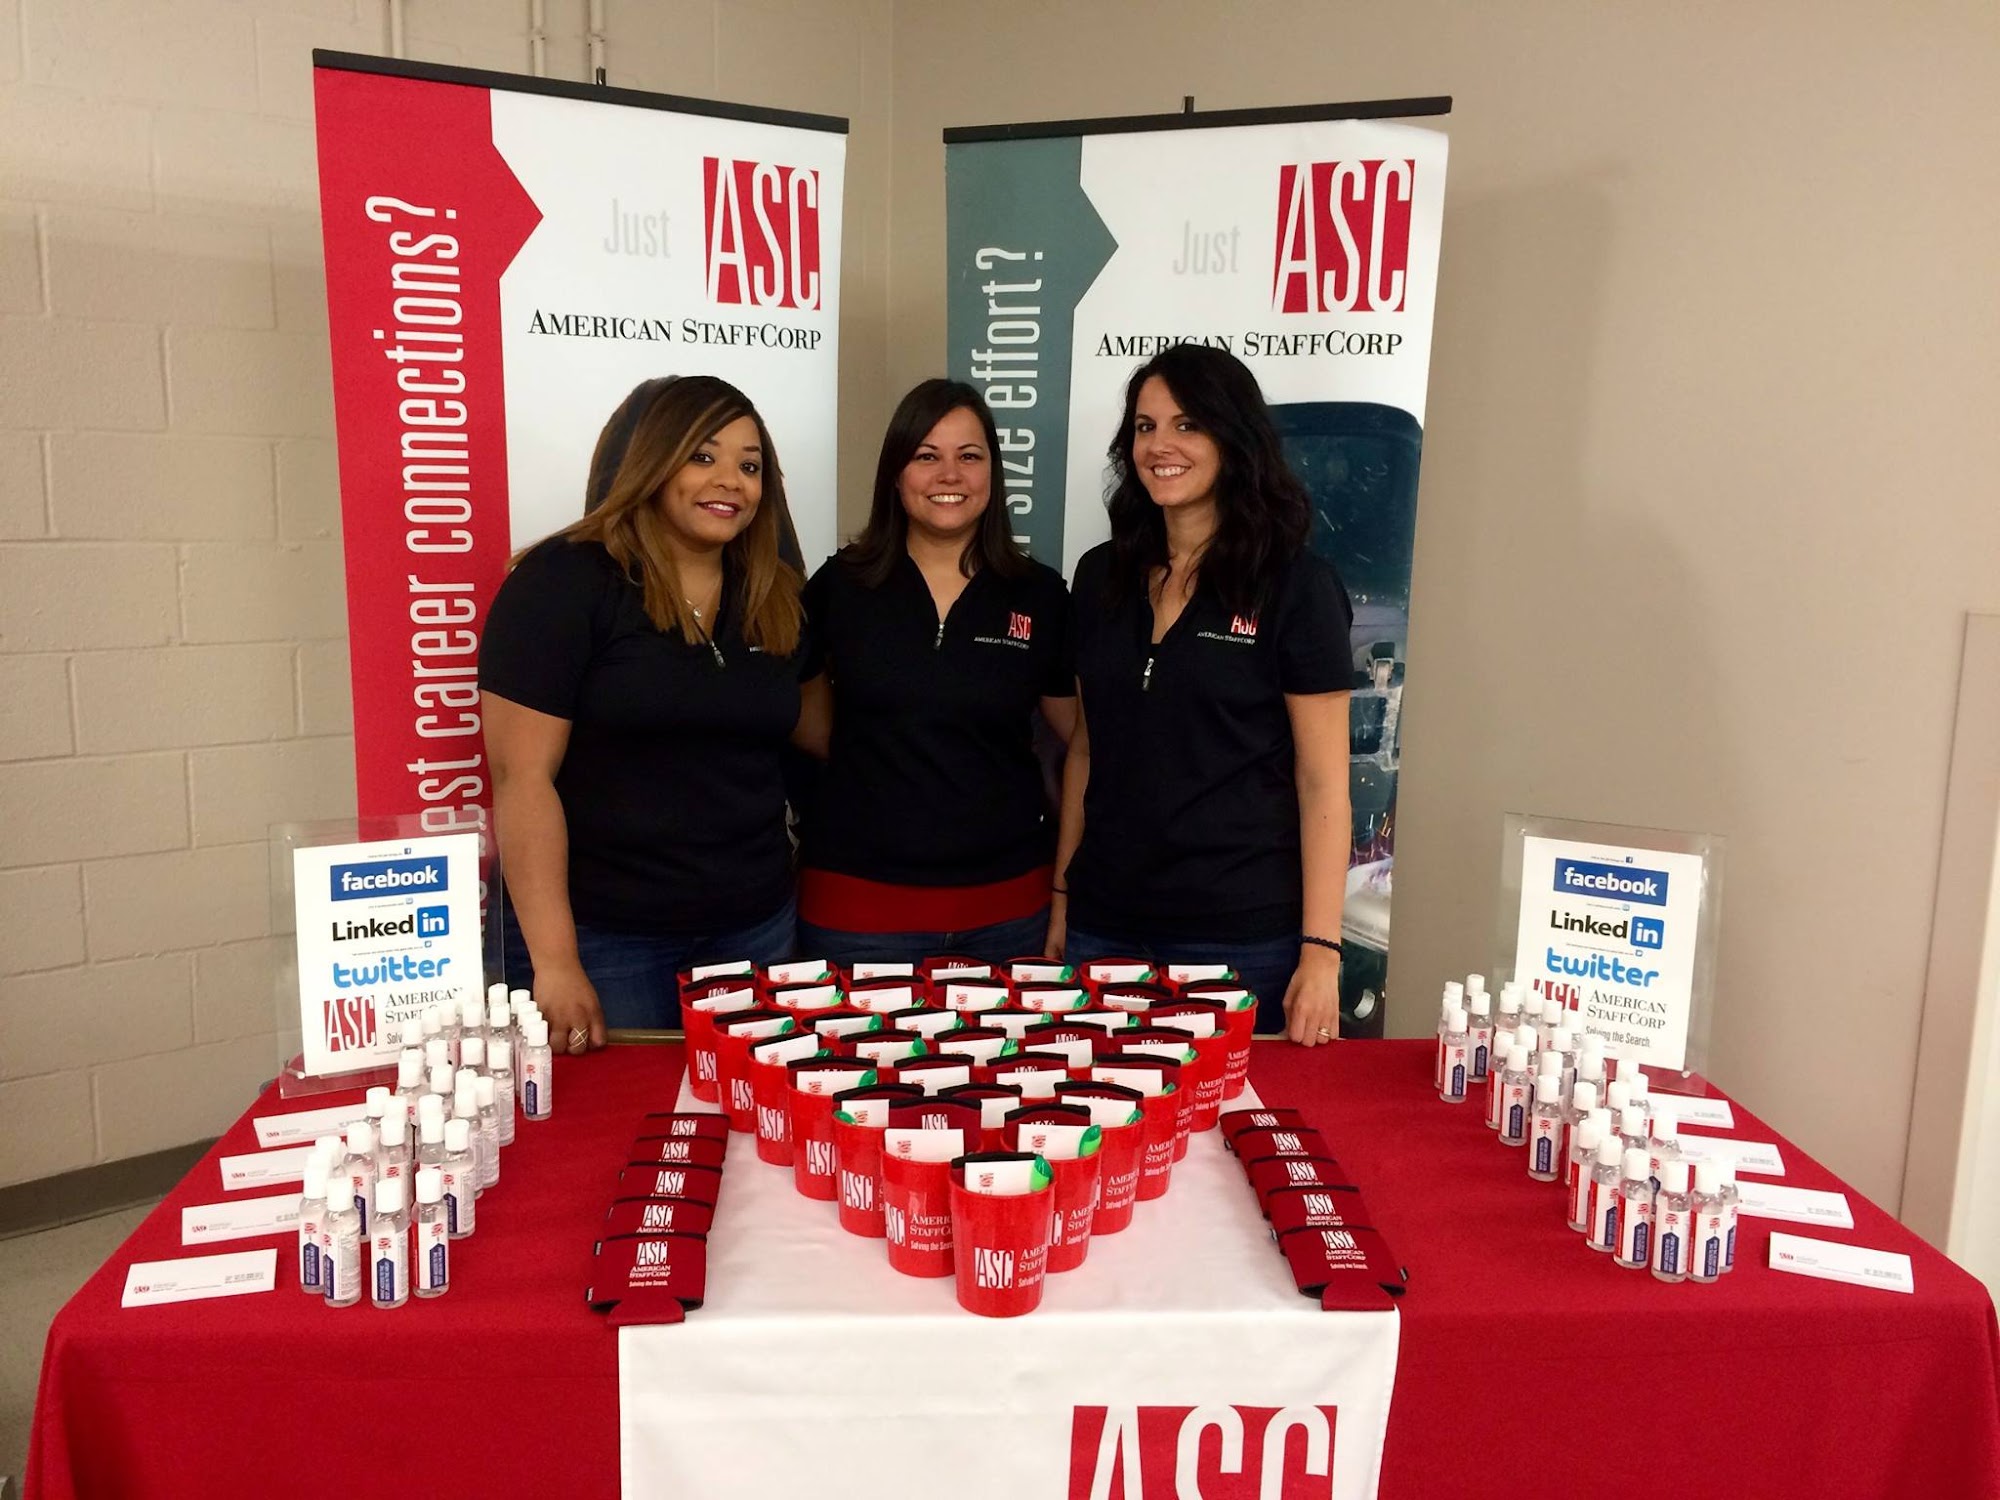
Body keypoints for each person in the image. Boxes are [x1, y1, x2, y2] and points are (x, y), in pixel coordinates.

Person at [480, 376, 809, 1053]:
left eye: (750, 466)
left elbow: (809, 736)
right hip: (606, 937)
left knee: (744, 1115)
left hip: (754, 928)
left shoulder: (774, 593)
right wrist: (556, 962)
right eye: (702, 456)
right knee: (619, 1116)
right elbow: (522, 780)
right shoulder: (563, 580)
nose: (731, 481)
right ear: (653, 461)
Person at [1049, 344, 1355, 1046]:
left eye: (1187, 425)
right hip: (1105, 927)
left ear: (1233, 438)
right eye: (1145, 427)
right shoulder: (1100, 577)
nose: (1161, 445)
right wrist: (1063, 898)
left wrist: (1321, 951)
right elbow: (1087, 751)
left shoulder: (1296, 586)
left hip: (1239, 939)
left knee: (1228, 1119)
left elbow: (1322, 784)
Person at [792, 379, 1076, 964]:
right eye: (926, 456)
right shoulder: (839, 587)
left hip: (1009, 918)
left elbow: (1083, 739)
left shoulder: (1041, 594)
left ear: (993, 473)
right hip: (856, 916)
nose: (950, 475)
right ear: (895, 475)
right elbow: (811, 730)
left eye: (969, 456)